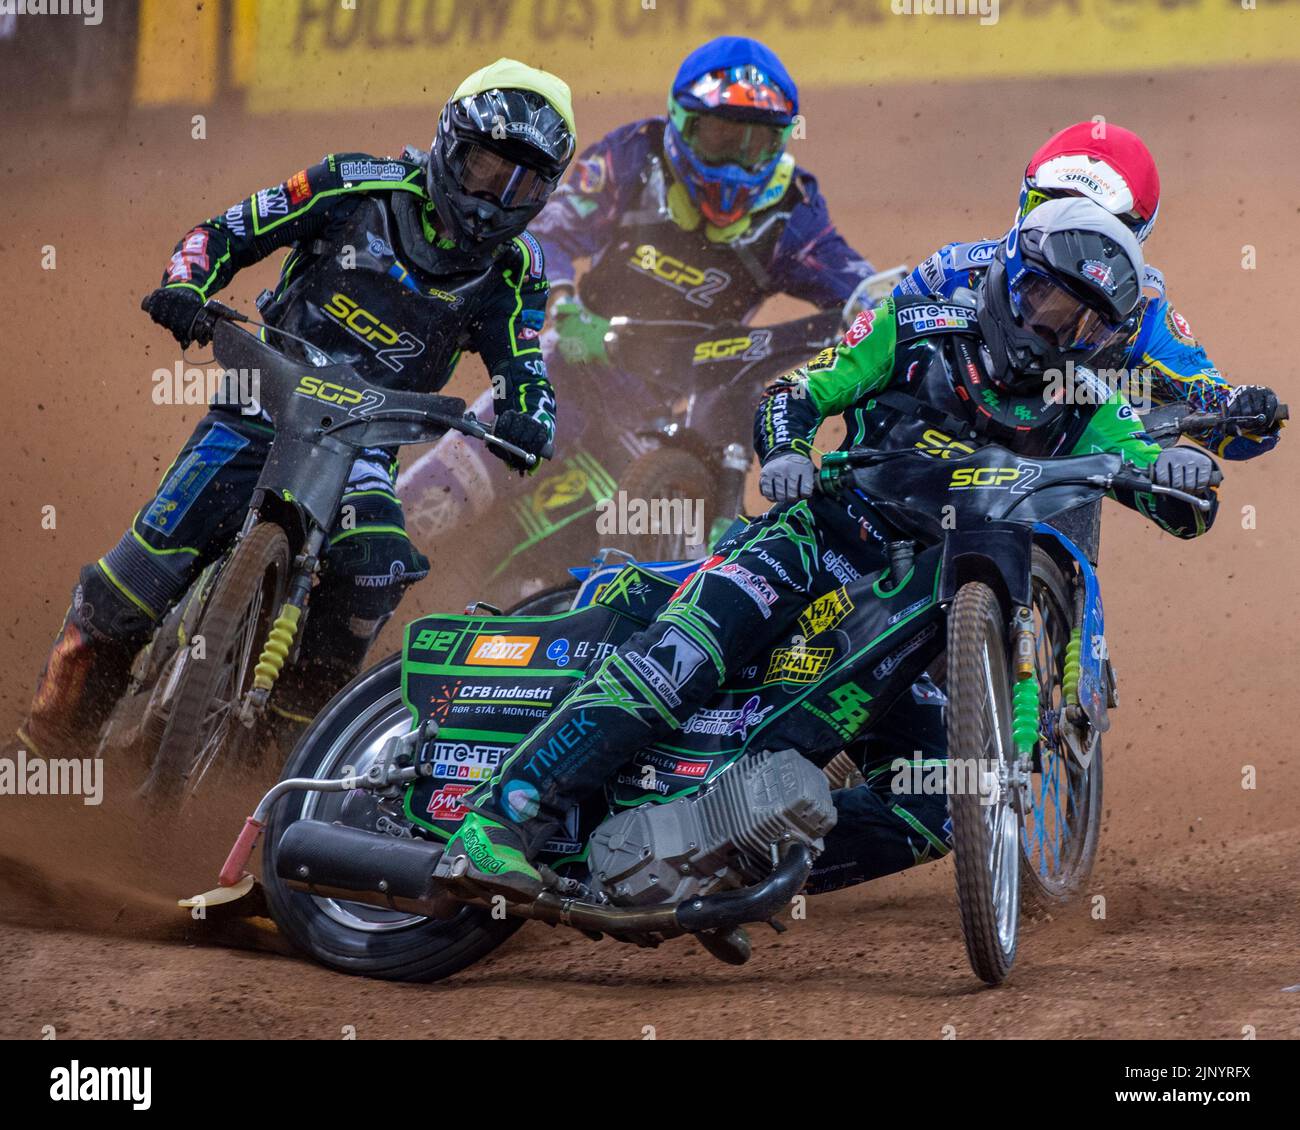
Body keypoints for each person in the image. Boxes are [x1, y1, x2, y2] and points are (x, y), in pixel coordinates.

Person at [437, 198, 1220, 902]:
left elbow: (1170, 496)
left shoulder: (1083, 400)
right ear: (1012, 275)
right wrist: (786, 453)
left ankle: (727, 860)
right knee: (679, 658)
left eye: (1083, 322)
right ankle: (499, 818)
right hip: (816, 540)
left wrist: (1183, 472)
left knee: (943, 801)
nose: (1057, 327)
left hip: (913, 603)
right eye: (1047, 298)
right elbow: (800, 393)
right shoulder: (917, 328)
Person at [15, 58, 575, 756]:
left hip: (362, 444)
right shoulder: (349, 184)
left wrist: (531, 419)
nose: (494, 198)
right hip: (259, 405)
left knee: (374, 565)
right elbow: (228, 231)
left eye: (521, 183)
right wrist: (184, 286)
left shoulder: (516, 272)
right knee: (125, 592)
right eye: (486, 169)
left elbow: (523, 364)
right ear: (447, 143)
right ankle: (43, 756)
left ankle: (274, 753)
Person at [396, 36, 876, 596]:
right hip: (569, 373)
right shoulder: (635, 155)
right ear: (680, 123)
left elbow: (858, 287)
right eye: (720, 137)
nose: (735, 162)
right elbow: (547, 228)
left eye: (755, 143)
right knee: (424, 509)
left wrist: (881, 301)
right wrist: (564, 303)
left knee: (589, 568)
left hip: (680, 414)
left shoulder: (790, 207)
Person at [896, 121, 1283, 460]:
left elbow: (1230, 434)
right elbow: (865, 343)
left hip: (1038, 504)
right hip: (908, 465)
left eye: (1091, 222)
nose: (1062, 227)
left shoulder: (1140, 323)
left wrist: (1244, 408)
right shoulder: (956, 268)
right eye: (1047, 204)